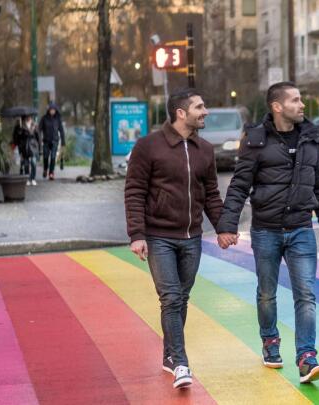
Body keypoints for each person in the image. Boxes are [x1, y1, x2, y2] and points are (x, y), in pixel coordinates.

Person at [216, 81, 319, 384]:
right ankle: (270, 341)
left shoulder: (310, 137)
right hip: (266, 231)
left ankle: (307, 357)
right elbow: (240, 186)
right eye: (295, 100)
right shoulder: (255, 140)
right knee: (267, 294)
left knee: (305, 294)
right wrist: (228, 225)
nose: (302, 105)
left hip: (300, 229)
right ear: (277, 106)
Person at [125, 88, 223, 389]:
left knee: (181, 298)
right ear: (181, 113)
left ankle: (169, 355)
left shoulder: (204, 150)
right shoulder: (149, 146)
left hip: (192, 237)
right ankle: (181, 363)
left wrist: (224, 228)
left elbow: (212, 196)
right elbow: (135, 191)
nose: (205, 112)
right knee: (170, 297)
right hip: (159, 236)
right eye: (199, 107)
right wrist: (137, 234)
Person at [38, 102, 65, 180]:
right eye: (51, 110)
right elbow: (39, 129)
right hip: (46, 141)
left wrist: (63, 142)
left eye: (54, 110)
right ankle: (45, 169)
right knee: (46, 157)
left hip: (55, 141)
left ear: (56, 110)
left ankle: (51, 173)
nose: (52, 111)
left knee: (53, 157)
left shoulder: (58, 119)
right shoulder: (44, 118)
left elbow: (61, 130)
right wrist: (39, 138)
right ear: (48, 110)